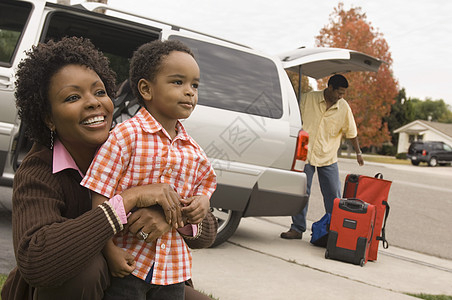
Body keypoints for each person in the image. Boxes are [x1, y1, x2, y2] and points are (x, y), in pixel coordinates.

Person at [1, 36, 216, 300]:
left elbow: (207, 231)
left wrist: (168, 216)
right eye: (72, 97)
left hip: (137, 275)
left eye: (100, 92)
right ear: (49, 118)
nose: (94, 102)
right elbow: (38, 260)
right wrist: (130, 199)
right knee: (87, 271)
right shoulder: (39, 172)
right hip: (73, 285)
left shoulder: (130, 145)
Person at [81, 39, 217, 299]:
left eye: (195, 85)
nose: (190, 91)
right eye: (178, 82)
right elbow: (99, 194)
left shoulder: (194, 152)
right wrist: (109, 251)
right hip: (129, 261)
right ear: (146, 88)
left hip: (172, 270)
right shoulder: (125, 137)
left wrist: (202, 204)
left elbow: (204, 190)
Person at [280, 74, 364, 240]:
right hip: (306, 154)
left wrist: (358, 153)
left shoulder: (344, 107)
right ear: (329, 87)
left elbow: (352, 132)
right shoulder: (308, 99)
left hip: (328, 157)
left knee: (334, 195)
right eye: (339, 93)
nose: (341, 97)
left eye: (343, 94)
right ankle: (297, 228)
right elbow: (294, 120)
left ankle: (334, 230)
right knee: (302, 192)